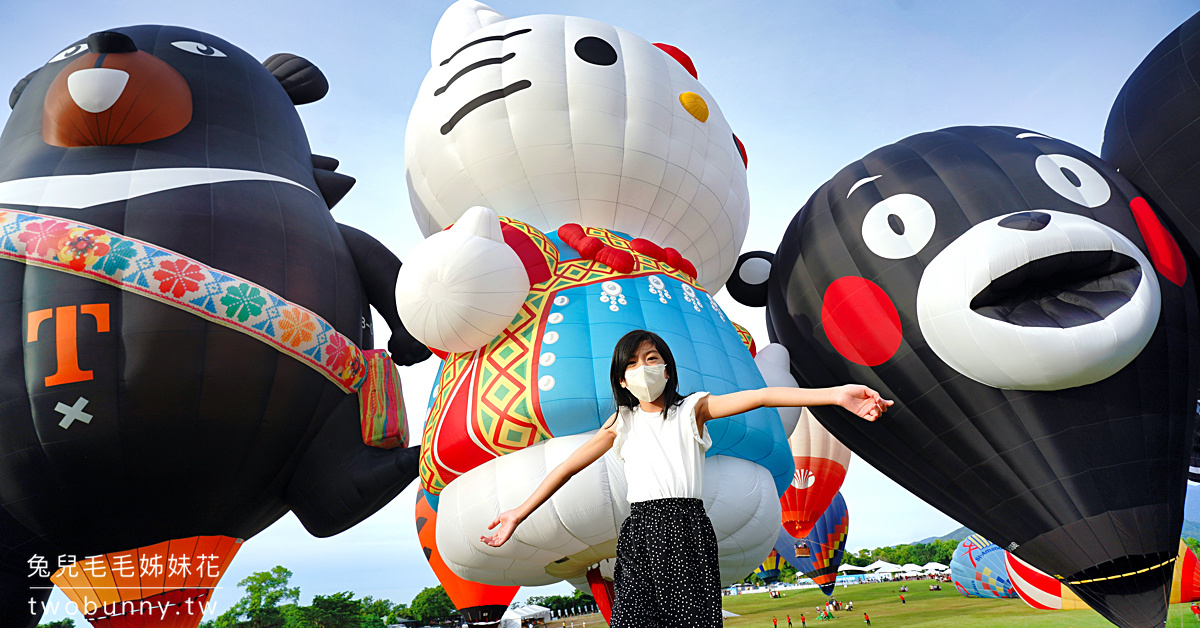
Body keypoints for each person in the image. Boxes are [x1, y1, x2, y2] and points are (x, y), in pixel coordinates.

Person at [480, 330, 892, 627]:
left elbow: (763, 396)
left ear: (667, 367)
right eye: (632, 363)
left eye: (651, 358)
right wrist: (518, 513)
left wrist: (836, 394)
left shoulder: (691, 409)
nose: (643, 369)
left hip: (685, 527)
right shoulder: (621, 422)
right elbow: (568, 466)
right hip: (639, 530)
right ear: (622, 380)